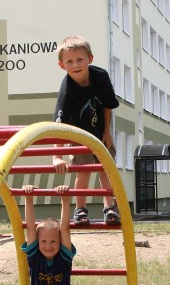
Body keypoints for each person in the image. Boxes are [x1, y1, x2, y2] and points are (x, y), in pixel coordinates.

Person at [51, 35, 120, 226]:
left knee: (106, 169)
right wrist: (57, 155)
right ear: (62, 65)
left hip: (100, 132)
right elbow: (61, 124)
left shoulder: (101, 77)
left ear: (90, 59)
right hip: (78, 136)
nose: (75, 65)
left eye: (80, 59)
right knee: (84, 172)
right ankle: (80, 209)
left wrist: (106, 131)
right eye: (69, 61)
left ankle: (110, 207)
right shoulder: (67, 89)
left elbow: (108, 105)